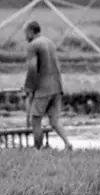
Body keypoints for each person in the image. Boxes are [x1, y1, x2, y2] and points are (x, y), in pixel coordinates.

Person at [23, 20, 73, 151]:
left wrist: (28, 88)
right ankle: (67, 144)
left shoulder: (33, 45)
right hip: (57, 87)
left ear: (30, 32)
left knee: (35, 119)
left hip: (43, 89)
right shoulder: (50, 43)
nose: (25, 37)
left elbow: (32, 69)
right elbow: (56, 65)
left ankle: (38, 149)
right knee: (55, 121)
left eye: (25, 33)